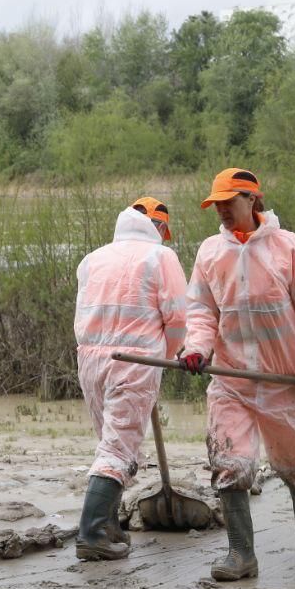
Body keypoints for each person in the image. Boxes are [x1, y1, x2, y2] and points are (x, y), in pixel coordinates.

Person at [181, 168, 295, 580]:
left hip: (285, 378)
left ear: (252, 200)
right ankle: (241, 555)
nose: (221, 211)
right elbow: (200, 310)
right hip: (231, 378)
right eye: (216, 204)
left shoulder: (287, 248)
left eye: (228, 202)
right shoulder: (210, 253)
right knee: (229, 459)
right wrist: (196, 348)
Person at [73, 197, 187, 560]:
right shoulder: (160, 257)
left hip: (90, 359)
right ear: (159, 228)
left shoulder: (93, 257)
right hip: (135, 360)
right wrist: (166, 358)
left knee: (109, 443)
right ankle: (91, 535)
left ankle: (108, 525)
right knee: (118, 450)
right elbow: (177, 319)